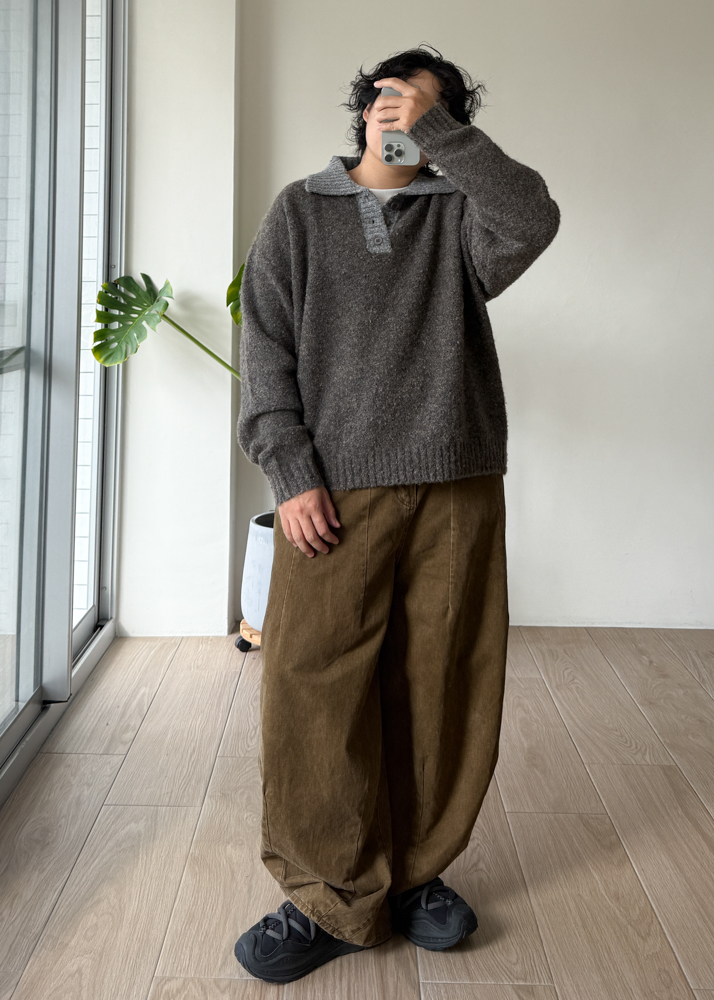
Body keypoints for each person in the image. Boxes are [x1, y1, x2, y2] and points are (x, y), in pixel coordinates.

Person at [234, 44, 560, 985]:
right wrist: (292, 472)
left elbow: (534, 216)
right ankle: (330, 896)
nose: (406, 112)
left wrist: (442, 135)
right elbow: (265, 348)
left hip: (457, 481)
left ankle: (416, 875)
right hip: (332, 490)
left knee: (444, 682)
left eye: (430, 104)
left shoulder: (464, 217)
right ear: (363, 105)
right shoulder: (300, 211)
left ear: (447, 122)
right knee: (313, 684)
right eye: (393, 95)